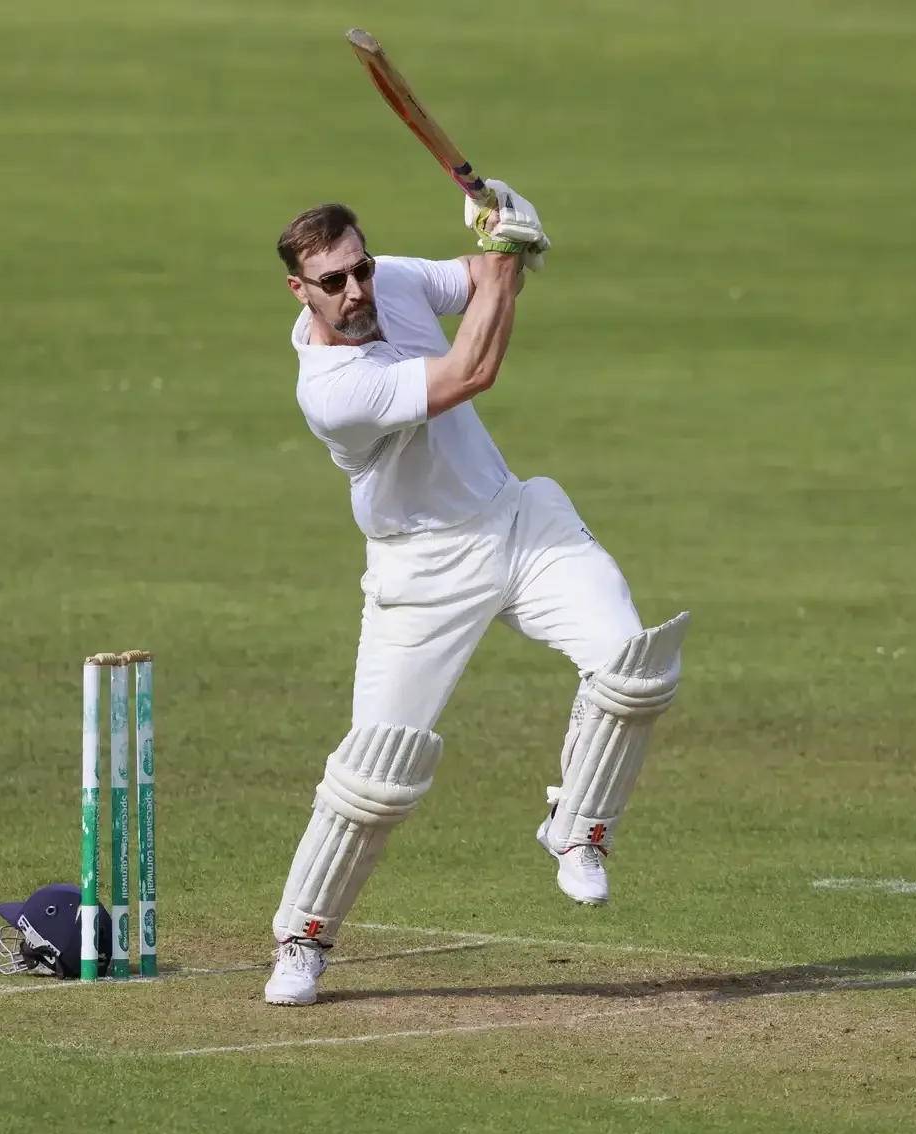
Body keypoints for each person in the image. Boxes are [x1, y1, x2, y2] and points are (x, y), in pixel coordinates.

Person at [264, 181, 688, 1005]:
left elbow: (480, 282)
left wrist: (509, 234)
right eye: (333, 282)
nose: (356, 292)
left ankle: (579, 828)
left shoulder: (388, 281)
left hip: (516, 523)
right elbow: (474, 367)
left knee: (635, 667)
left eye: (360, 268)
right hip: (419, 572)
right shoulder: (329, 391)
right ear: (299, 290)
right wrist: (504, 258)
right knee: (374, 778)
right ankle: (302, 939)